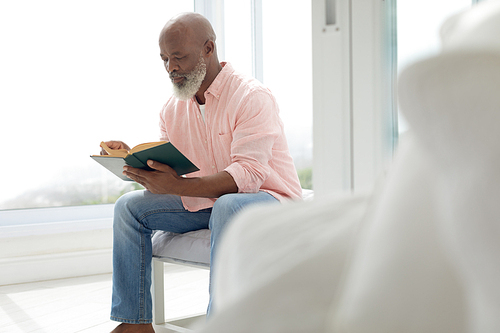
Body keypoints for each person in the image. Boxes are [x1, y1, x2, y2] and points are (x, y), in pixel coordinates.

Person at [106, 12, 302, 333]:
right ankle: (135, 324)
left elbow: (247, 177)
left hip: (267, 200)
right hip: (207, 200)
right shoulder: (171, 108)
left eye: (179, 57)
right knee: (128, 208)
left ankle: (220, 325)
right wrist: (133, 159)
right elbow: (170, 165)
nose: (171, 67)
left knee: (226, 204)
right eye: (165, 59)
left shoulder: (251, 97)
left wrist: (176, 185)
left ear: (208, 49)